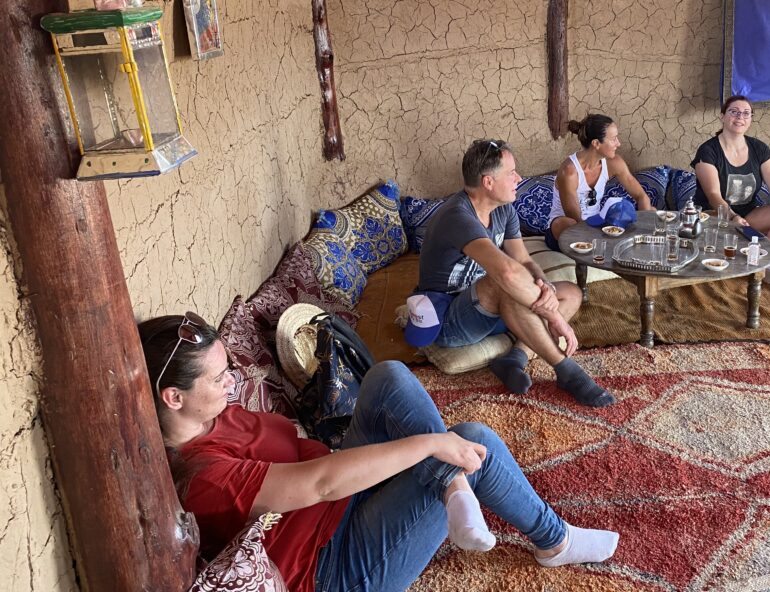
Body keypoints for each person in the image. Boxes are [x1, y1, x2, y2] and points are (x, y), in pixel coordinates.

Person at [139, 314, 619, 592]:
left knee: (388, 377)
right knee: (475, 442)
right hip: (330, 566)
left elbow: (312, 461)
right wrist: (431, 443)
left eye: (228, 368)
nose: (233, 380)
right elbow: (320, 484)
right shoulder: (204, 477)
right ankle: (553, 541)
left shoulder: (214, 414)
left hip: (340, 505)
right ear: (173, 398)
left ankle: (452, 486)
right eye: (219, 377)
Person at [416, 139, 614, 407]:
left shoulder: (504, 210)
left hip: (492, 308)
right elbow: (507, 272)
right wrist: (554, 317)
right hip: (451, 319)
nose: (519, 178)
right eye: (511, 173)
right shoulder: (458, 216)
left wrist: (545, 286)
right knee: (503, 282)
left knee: (570, 293)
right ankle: (567, 371)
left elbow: (523, 260)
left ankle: (515, 358)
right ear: (488, 182)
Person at [691, 95, 770, 291]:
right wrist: (732, 216)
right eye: (734, 112)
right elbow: (713, 195)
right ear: (722, 116)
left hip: (747, 217)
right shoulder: (708, 151)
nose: (740, 117)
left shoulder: (759, 149)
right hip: (715, 218)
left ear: (751, 118)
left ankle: (766, 263)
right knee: (724, 235)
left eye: (746, 113)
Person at [545, 113, 652, 250]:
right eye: (613, 139)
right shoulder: (569, 171)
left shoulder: (614, 163)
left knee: (643, 212)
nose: (618, 144)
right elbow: (576, 220)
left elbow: (641, 196)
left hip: (595, 225)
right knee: (568, 223)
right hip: (566, 231)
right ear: (596, 143)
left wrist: (643, 232)